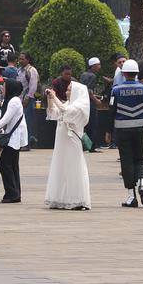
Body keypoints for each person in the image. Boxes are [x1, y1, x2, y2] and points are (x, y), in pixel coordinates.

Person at [44, 71, 92, 210]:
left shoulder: (80, 107)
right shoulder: (68, 103)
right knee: (61, 168)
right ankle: (60, 198)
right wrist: (50, 98)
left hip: (72, 143)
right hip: (61, 143)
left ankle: (76, 199)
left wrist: (54, 96)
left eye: (70, 89)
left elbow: (66, 110)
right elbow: (52, 113)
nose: (66, 91)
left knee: (72, 168)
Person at [109, 59, 143, 208]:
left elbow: (112, 112)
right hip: (140, 130)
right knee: (140, 158)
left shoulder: (116, 90)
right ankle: (142, 184)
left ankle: (131, 196)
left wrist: (108, 131)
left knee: (126, 162)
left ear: (124, 73)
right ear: (136, 74)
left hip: (122, 130)